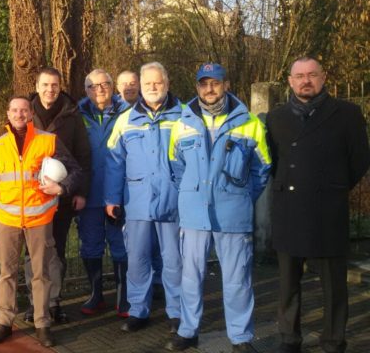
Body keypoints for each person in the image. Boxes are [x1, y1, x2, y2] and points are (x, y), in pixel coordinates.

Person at [266, 57, 370, 353]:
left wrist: (334, 186)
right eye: (299, 76)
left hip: (328, 211)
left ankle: (334, 340)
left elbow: (360, 159)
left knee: (334, 286)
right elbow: (273, 161)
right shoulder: (276, 117)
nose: (306, 80)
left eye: (312, 75)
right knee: (288, 284)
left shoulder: (347, 113)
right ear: (290, 81)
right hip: (289, 209)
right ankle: (289, 338)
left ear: (323, 78)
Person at [167, 63, 271, 352]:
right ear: (197, 87)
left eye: (215, 83)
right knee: (190, 277)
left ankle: (240, 337)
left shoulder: (249, 123)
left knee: (238, 280)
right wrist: (191, 195)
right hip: (194, 214)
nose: (209, 89)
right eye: (204, 83)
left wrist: (241, 198)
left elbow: (262, 170)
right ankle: (188, 331)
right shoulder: (182, 124)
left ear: (226, 84)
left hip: (233, 215)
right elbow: (176, 168)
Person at [0, 96, 82, 347]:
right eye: (14, 110)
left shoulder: (48, 140)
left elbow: (76, 171)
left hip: (40, 218)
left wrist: (61, 188)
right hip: (8, 220)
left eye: (24, 110)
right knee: (6, 273)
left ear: (31, 113)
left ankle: (43, 324)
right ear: (8, 114)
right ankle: (4, 321)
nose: (19, 114)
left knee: (41, 273)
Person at [105, 62, 183, 333]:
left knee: (174, 261)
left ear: (167, 83)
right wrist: (111, 198)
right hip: (137, 201)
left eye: (157, 82)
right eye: (147, 83)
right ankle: (138, 310)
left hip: (174, 201)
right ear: (140, 85)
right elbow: (114, 162)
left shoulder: (183, 116)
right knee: (137, 259)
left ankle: (177, 313)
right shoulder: (125, 120)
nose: (152, 87)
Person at [25, 67, 91, 324]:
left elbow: (83, 156)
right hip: (32, 197)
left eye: (54, 85)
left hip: (62, 196)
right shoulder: (25, 113)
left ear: (60, 86)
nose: (50, 89)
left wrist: (81, 192)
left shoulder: (72, 116)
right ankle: (34, 303)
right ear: (37, 85)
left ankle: (53, 302)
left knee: (57, 250)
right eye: (45, 85)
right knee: (33, 253)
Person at [76, 69, 129, 316]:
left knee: (120, 244)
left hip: (118, 192)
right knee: (91, 245)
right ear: (86, 90)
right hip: (88, 193)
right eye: (93, 86)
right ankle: (96, 295)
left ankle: (124, 297)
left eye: (105, 84)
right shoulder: (77, 114)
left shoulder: (128, 112)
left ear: (112, 86)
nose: (99, 89)